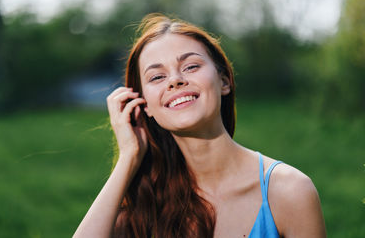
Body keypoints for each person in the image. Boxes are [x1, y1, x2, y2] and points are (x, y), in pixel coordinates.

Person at [73, 13, 326, 238]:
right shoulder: (144, 206)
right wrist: (129, 157)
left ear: (224, 81)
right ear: (145, 104)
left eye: (191, 66)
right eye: (157, 77)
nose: (175, 80)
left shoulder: (288, 191)